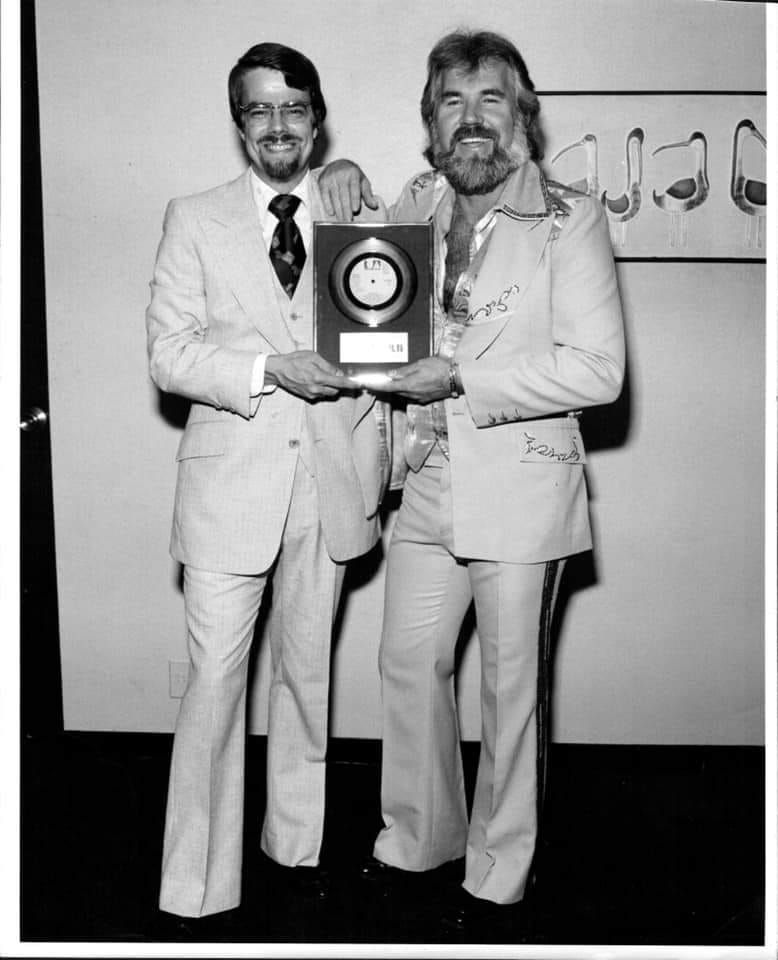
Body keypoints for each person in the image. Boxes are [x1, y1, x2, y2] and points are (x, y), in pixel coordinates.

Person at [323, 29, 625, 932]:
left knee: (507, 689)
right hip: (422, 476)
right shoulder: (417, 198)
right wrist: (336, 168)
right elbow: (358, 263)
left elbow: (600, 372)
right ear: (431, 123)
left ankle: (500, 871)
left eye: (491, 99)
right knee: (409, 663)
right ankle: (419, 836)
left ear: (521, 115)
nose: (472, 119)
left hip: (520, 486)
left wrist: (461, 379)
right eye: (451, 101)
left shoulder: (571, 214)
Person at [145, 42, 388, 925]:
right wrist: (266, 369)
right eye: (259, 111)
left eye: (294, 109)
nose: (278, 126)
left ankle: (295, 850)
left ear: (316, 117)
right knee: (215, 681)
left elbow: (397, 314)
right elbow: (170, 355)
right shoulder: (194, 216)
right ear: (238, 123)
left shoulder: (353, 204)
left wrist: (360, 186)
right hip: (229, 486)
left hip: (328, 482)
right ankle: (196, 889)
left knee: (304, 677)